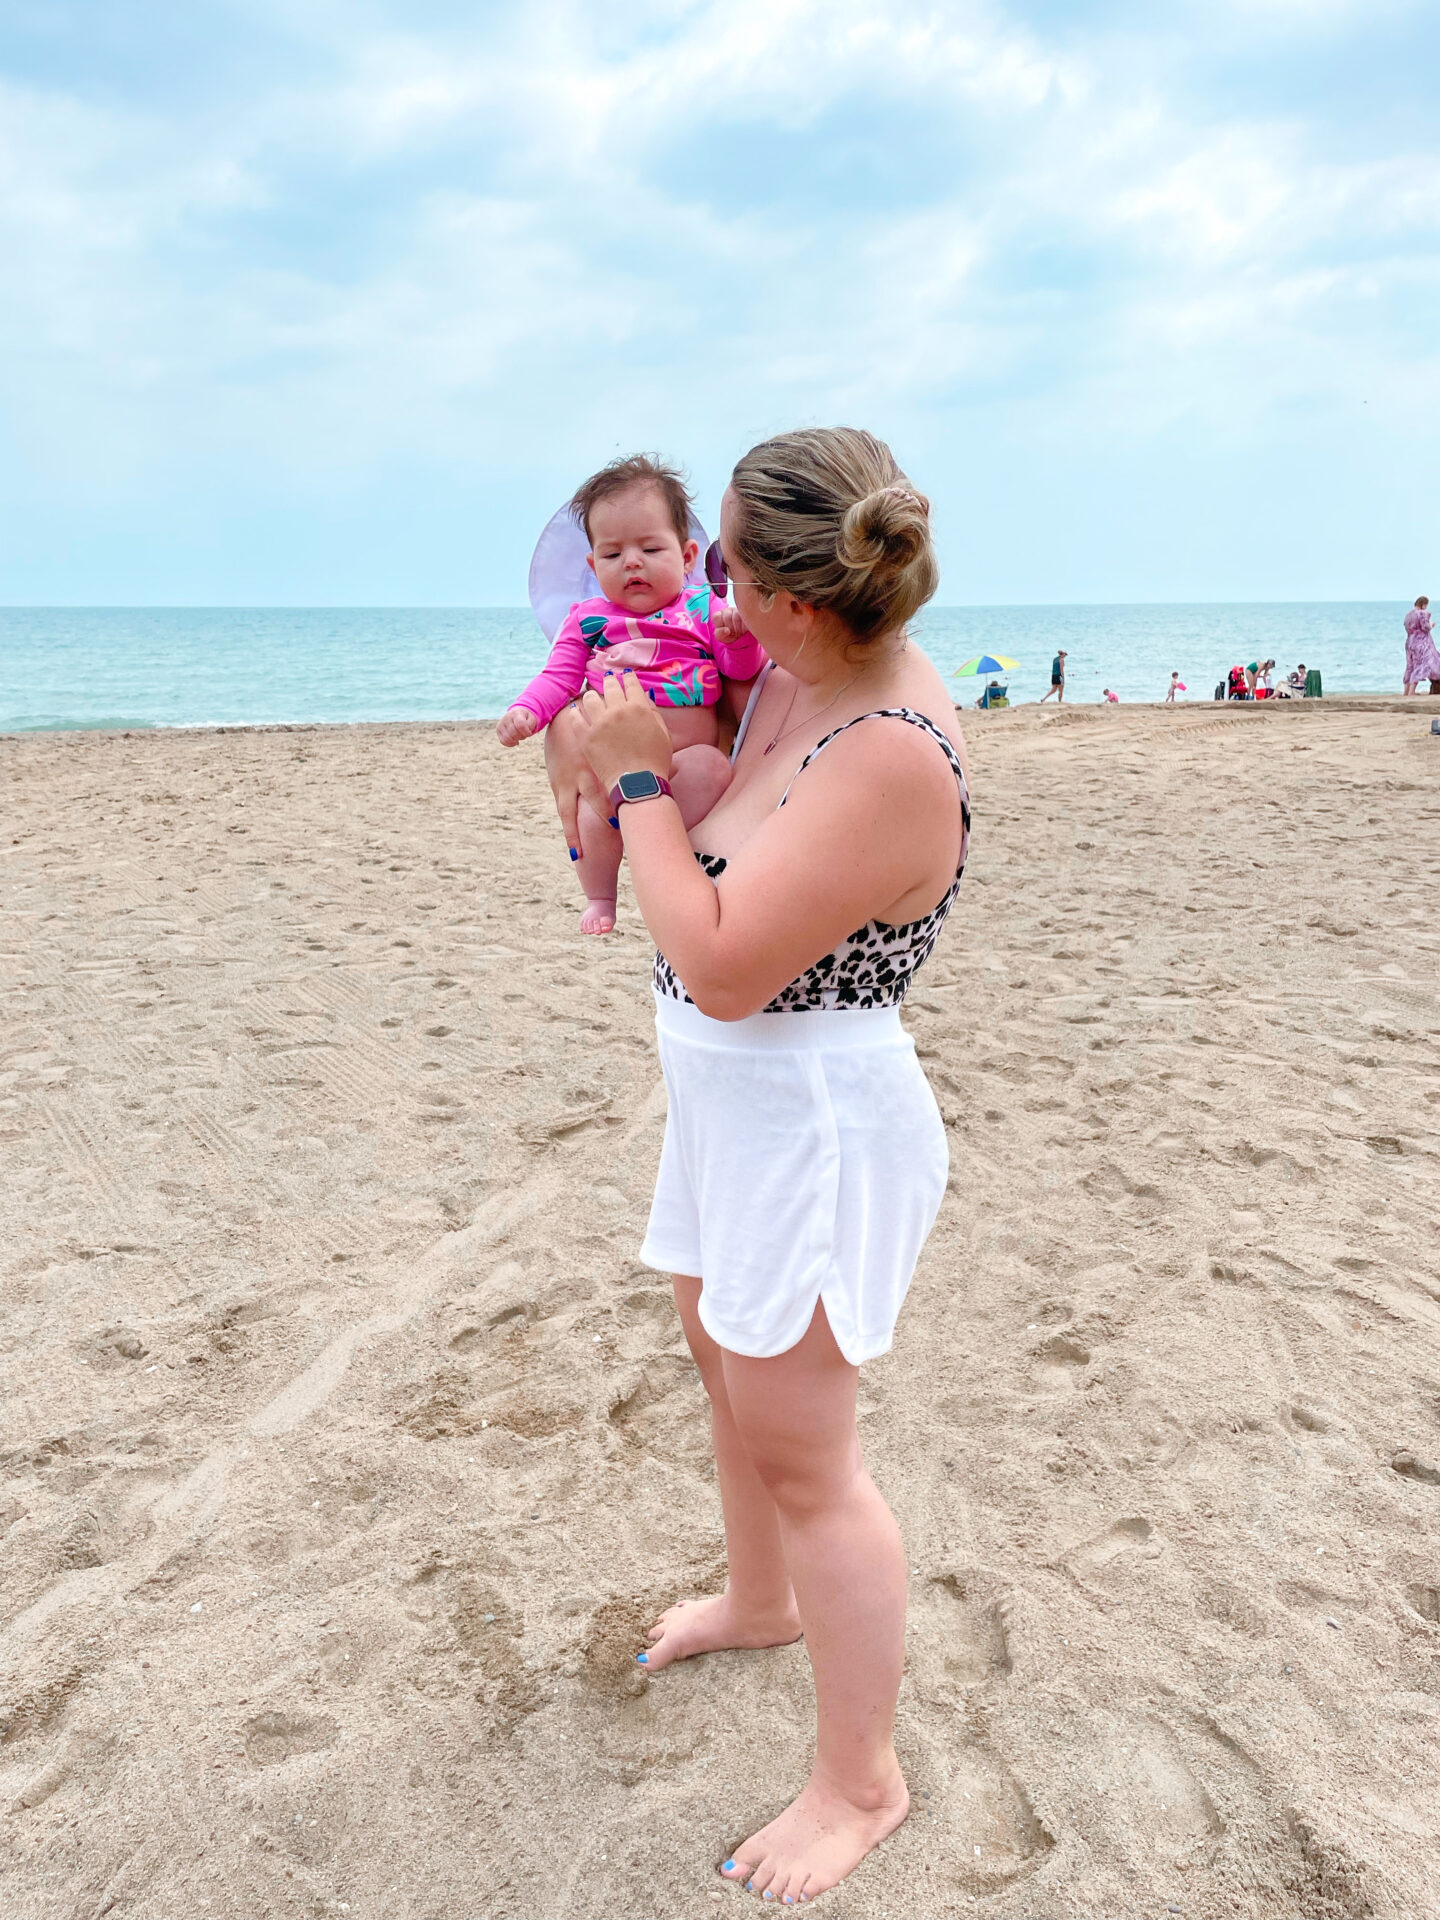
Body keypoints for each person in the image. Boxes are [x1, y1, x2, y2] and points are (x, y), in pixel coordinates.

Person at [564, 427, 970, 1906]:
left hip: (811, 1119)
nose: (710, 583)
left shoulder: (890, 756)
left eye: (729, 563)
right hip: (728, 1107)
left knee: (811, 1453)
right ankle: (758, 1600)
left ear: (803, 595)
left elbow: (729, 961)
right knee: (718, 1349)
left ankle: (863, 1780)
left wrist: (635, 793)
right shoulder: (793, 667)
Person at [497, 455, 764, 933]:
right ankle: (600, 895)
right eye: (613, 554)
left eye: (649, 549)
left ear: (686, 557)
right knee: (588, 813)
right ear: (592, 563)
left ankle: (668, 855)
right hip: (612, 765)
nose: (632, 563)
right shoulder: (586, 619)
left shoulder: (704, 608)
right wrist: (526, 711)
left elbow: (737, 669)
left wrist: (737, 637)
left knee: (712, 769)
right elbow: (558, 679)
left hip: (685, 758)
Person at [1404, 597, 1440, 694]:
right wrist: (1431, 625)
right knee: (1422, 664)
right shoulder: (1422, 613)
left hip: (1410, 641)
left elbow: (1407, 627)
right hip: (1421, 642)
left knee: (1410, 666)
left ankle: (1406, 692)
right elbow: (1426, 627)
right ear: (1423, 604)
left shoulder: (1408, 615)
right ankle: (1412, 692)